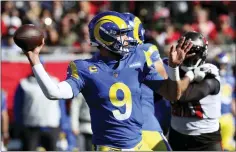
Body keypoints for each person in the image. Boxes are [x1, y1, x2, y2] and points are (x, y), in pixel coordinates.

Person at [21, 11, 194, 151]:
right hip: (110, 147)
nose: (128, 39)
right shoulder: (84, 68)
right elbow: (54, 92)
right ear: (106, 37)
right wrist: (35, 59)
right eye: (122, 35)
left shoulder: (138, 58)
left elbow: (173, 94)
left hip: (139, 143)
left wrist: (173, 68)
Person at [165, 31, 223, 151]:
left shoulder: (209, 74)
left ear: (202, 54)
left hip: (206, 139)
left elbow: (181, 96)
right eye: (185, 52)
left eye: (193, 53)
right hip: (177, 135)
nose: (187, 57)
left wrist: (184, 74)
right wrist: (187, 74)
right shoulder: (173, 70)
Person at [123, 12, 171, 151]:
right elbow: (163, 81)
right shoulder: (146, 50)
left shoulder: (102, 60)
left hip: (117, 132)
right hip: (146, 125)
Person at [14, 67, 62, 151]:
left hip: (51, 126)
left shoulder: (55, 82)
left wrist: (63, 125)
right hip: (31, 127)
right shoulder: (24, 84)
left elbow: (61, 106)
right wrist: (19, 125)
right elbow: (18, 107)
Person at [213, 52, 235, 151]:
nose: (222, 67)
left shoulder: (231, 80)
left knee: (227, 145)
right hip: (214, 117)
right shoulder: (211, 78)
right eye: (219, 64)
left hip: (227, 116)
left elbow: (233, 99)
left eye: (224, 64)